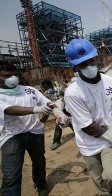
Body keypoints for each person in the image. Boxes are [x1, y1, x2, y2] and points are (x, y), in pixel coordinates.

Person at [64, 38, 112, 195]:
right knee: (99, 181)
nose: (88, 66)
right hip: (89, 143)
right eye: (82, 64)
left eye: (90, 61)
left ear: (96, 58)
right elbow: (86, 125)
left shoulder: (108, 81)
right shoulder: (73, 92)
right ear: (75, 66)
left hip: (107, 141)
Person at [0, 60, 55, 195]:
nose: (12, 78)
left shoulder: (29, 90)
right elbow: (9, 110)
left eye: (13, 75)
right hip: (11, 136)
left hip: (35, 132)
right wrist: (36, 109)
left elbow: (46, 102)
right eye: (7, 76)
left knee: (39, 162)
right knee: (11, 174)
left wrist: (55, 112)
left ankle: (40, 184)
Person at [41, 79, 65, 150]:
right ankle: (56, 141)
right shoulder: (46, 94)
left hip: (65, 109)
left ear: (51, 85)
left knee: (71, 123)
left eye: (47, 87)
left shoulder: (59, 89)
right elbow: (46, 105)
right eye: (45, 88)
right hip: (57, 112)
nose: (47, 89)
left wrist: (63, 99)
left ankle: (56, 142)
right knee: (59, 123)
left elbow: (68, 95)